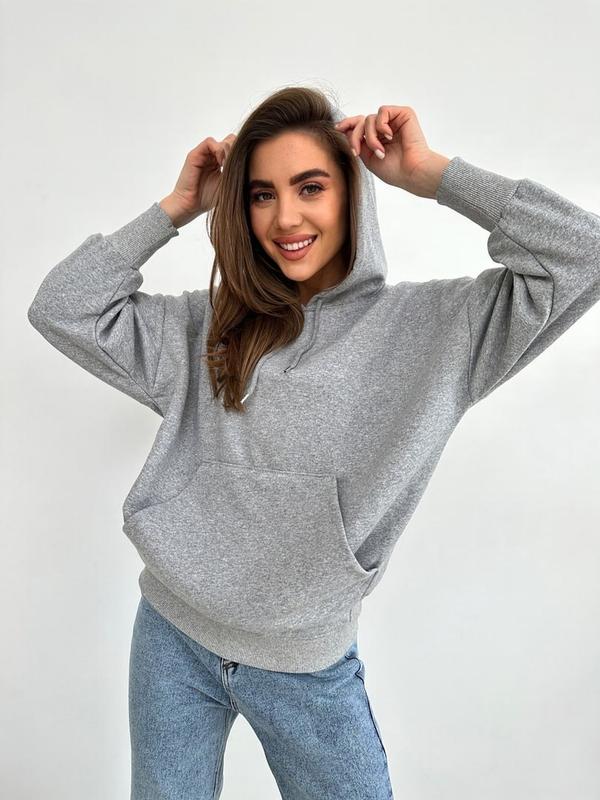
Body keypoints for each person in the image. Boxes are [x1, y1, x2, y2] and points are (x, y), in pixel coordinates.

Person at [27, 86, 600, 799]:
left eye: (311, 187)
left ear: (352, 193)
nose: (286, 218)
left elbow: (583, 254)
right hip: (173, 634)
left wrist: (433, 175)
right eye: (261, 195)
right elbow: (62, 307)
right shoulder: (207, 328)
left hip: (306, 664)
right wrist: (179, 205)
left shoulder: (436, 330)